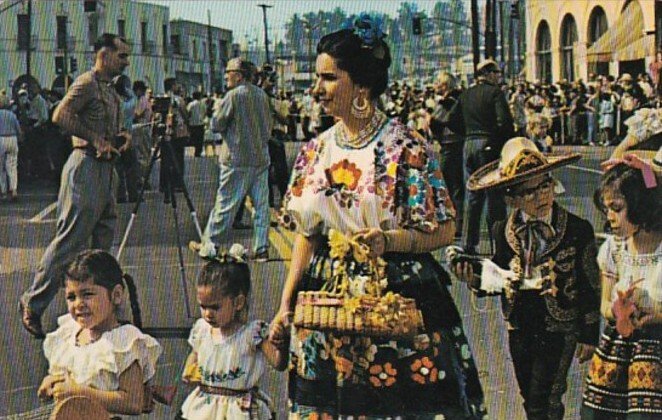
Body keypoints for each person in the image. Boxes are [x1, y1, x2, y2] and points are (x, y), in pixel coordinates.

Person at [269, 15, 487, 418]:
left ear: (362, 85)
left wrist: (391, 241)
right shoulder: (315, 152)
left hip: (396, 299)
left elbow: (445, 229)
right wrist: (286, 305)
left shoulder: (405, 147)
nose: (317, 90)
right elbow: (307, 235)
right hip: (326, 303)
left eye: (329, 78)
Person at [453, 137, 601, 420]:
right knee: (527, 396)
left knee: (546, 397)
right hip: (520, 324)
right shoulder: (502, 231)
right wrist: (474, 278)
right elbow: (498, 275)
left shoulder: (578, 229)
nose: (541, 196)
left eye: (545, 185)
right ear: (512, 199)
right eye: (530, 192)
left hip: (560, 326)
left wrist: (589, 333)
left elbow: (590, 285)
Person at [20, 33, 131, 339]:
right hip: (85, 166)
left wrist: (121, 138)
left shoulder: (109, 90)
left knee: (100, 244)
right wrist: (95, 139)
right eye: (121, 56)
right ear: (104, 55)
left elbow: (111, 127)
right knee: (70, 242)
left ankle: (97, 309)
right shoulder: (86, 83)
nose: (126, 62)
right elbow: (60, 114)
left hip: (107, 170)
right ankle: (33, 302)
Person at [581, 155, 662, 419]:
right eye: (606, 210)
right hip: (618, 350)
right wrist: (619, 309)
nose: (610, 218)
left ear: (640, 205)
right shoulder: (614, 249)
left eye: (617, 208)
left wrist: (656, 313)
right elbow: (604, 304)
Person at [37, 249, 162, 416]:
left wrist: (77, 392)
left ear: (116, 295)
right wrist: (50, 384)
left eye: (87, 294)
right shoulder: (68, 334)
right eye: (71, 297)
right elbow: (64, 381)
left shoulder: (123, 343)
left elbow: (132, 402)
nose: (79, 304)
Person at [178, 244, 288, 419]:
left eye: (215, 307)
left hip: (239, 410)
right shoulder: (202, 330)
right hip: (204, 408)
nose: (208, 313)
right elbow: (196, 353)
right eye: (203, 306)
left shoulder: (252, 333)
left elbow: (278, 363)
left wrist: (281, 344)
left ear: (238, 303)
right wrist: (189, 368)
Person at [189, 58, 273, 261]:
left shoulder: (233, 96)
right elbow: (268, 126)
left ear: (240, 74)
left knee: (226, 203)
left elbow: (217, 124)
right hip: (260, 158)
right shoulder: (261, 95)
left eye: (229, 71)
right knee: (261, 206)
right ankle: (261, 247)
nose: (226, 75)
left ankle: (211, 245)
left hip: (236, 158)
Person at [451, 58, 513, 255]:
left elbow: (451, 120)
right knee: (494, 196)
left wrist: (468, 133)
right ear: (488, 74)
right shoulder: (495, 93)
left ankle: (469, 244)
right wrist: (502, 141)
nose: (498, 77)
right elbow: (504, 122)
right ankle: (500, 244)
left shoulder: (466, 94)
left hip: (469, 145)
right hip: (489, 145)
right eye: (496, 73)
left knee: (473, 196)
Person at [159, 77, 188, 201]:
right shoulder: (178, 100)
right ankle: (177, 183)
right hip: (179, 133)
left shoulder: (161, 99)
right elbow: (185, 114)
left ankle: (164, 184)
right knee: (178, 158)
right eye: (176, 84)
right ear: (172, 86)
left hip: (165, 132)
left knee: (165, 159)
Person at [0, 94, 22, 202]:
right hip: (12, 139)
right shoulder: (12, 115)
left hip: (1, 139)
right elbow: (18, 128)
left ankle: (3, 191)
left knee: (1, 168)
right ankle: (14, 189)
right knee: (12, 166)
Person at [186, 91, 206, 158]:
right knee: (200, 138)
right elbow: (205, 112)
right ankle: (198, 151)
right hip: (201, 123)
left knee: (193, 137)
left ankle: (192, 150)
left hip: (193, 124)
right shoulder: (203, 104)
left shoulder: (191, 104)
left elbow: (188, 113)